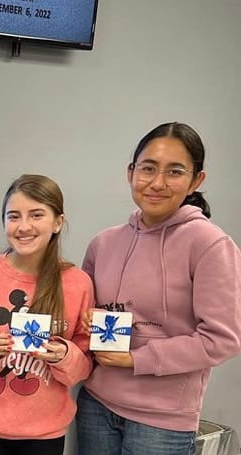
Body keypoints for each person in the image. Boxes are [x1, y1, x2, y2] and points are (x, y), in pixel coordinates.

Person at [76, 122, 241, 455]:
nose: (157, 183)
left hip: (162, 420)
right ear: (130, 172)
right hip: (95, 403)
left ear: (197, 180)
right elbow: (87, 313)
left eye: (175, 171)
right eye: (148, 168)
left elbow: (221, 340)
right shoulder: (103, 244)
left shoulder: (210, 245)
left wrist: (136, 359)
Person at [0, 174, 93, 455]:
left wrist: (63, 355)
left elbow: (85, 364)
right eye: (14, 216)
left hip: (44, 432)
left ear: (58, 223)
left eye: (36, 215)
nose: (24, 226)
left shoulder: (78, 282)